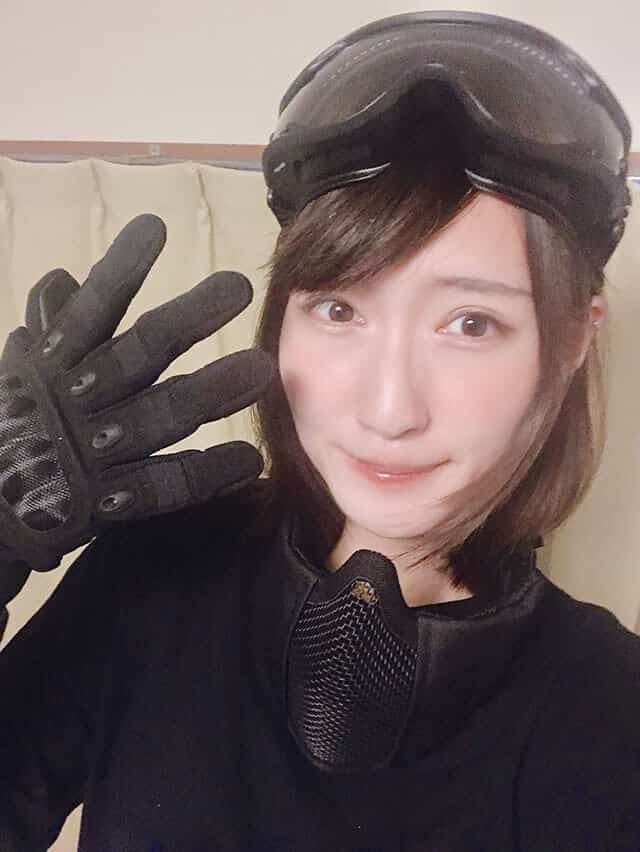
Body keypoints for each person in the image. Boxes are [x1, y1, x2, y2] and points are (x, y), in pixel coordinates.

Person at [0, 10, 638, 852]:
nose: (389, 409)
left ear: (573, 340)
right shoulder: (153, 575)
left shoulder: (610, 711)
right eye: (339, 309)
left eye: (471, 323)